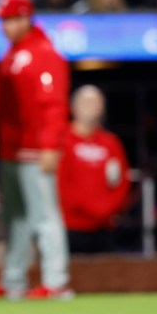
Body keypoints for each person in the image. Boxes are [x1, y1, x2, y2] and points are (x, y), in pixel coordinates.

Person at [0, 0, 72, 300]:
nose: (5, 26)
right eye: (3, 20)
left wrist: (50, 146)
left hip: (34, 150)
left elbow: (53, 105)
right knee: (15, 219)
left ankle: (56, 282)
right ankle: (14, 279)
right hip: (12, 151)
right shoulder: (13, 54)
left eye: (10, 19)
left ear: (26, 18)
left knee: (44, 217)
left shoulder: (43, 52)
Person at [58, 85, 131, 253]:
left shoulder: (111, 143)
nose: (91, 107)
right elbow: (59, 184)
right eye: (86, 102)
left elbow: (122, 182)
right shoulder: (62, 141)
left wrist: (106, 210)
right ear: (73, 107)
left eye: (96, 102)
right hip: (70, 228)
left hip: (105, 228)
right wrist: (89, 210)